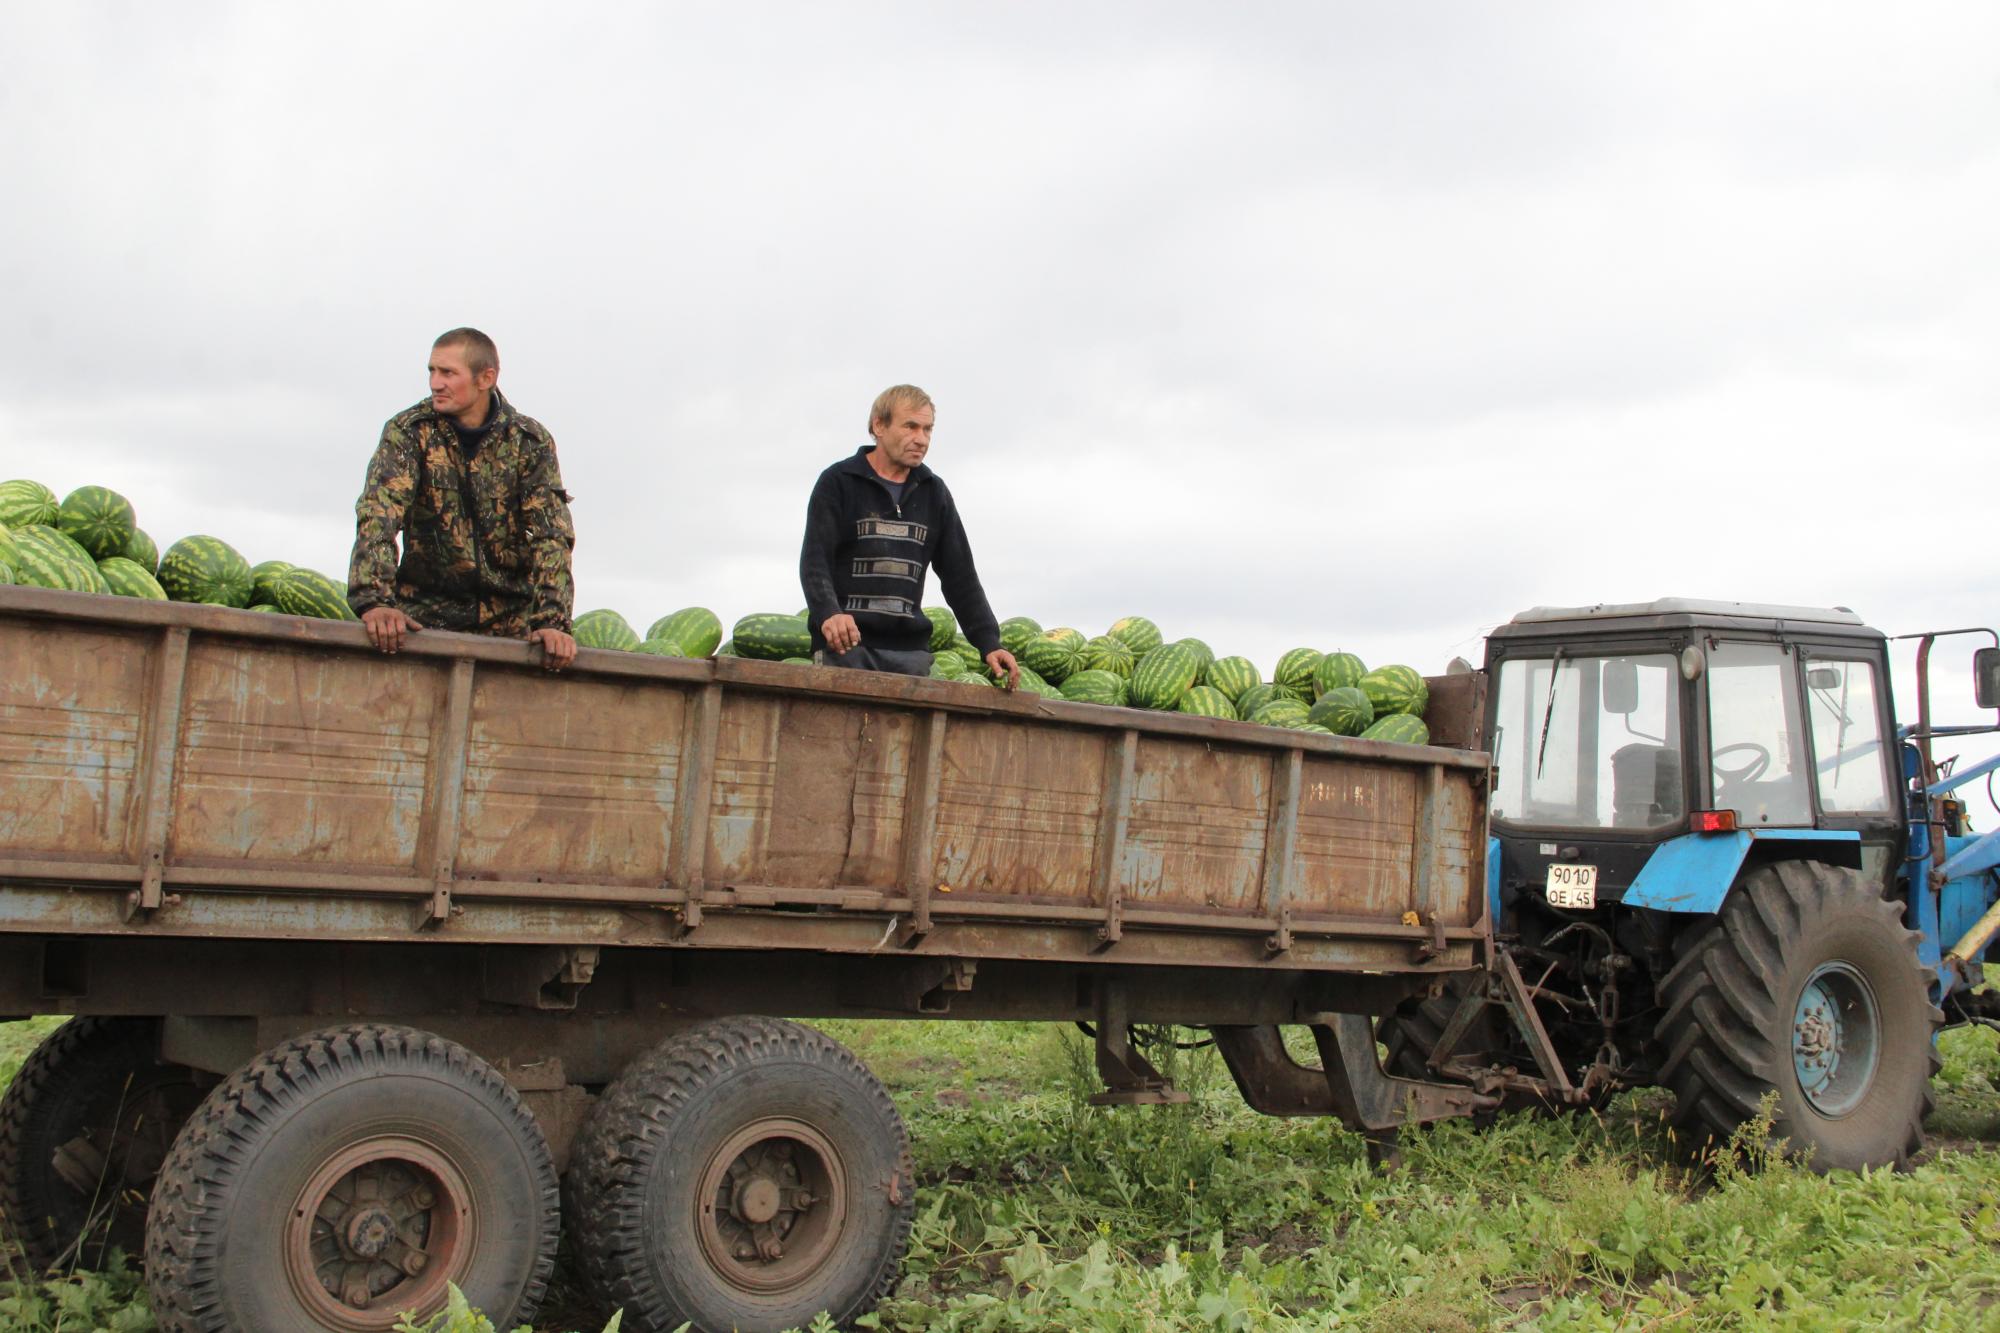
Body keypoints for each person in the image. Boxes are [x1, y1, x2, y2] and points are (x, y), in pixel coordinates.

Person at [347, 328, 578, 669]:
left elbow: (551, 534)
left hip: (511, 625)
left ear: (486, 378)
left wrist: (551, 622)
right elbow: (380, 510)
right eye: (432, 371)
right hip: (423, 620)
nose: (435, 383)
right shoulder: (409, 431)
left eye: (448, 373)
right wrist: (374, 601)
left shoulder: (529, 442)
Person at [800, 385, 1019, 686]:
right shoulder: (839, 482)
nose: (921, 439)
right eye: (911, 427)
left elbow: (961, 578)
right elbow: (815, 561)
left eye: (928, 429)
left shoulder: (934, 492)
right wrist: (829, 613)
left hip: (909, 656)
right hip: (846, 649)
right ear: (879, 425)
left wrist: (989, 642)